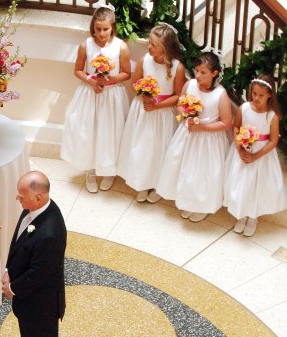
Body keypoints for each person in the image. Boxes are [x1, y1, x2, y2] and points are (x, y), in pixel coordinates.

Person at [1, 171, 67, 337]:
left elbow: (39, 273)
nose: (18, 200)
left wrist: (12, 288)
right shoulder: (33, 209)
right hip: (28, 299)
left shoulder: (50, 232)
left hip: (42, 303)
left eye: (22, 197)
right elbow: (19, 245)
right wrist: (9, 269)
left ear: (39, 197)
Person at [61, 5, 131, 193]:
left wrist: (111, 79)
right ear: (93, 26)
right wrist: (92, 81)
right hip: (90, 93)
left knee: (110, 132)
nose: (101, 33)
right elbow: (77, 70)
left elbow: (127, 73)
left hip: (112, 95)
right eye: (97, 29)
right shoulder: (86, 45)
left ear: (112, 27)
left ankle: (109, 171)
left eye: (105, 29)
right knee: (88, 131)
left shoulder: (121, 47)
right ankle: (90, 170)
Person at [155, 52, 232, 222]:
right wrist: (185, 115)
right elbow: (180, 104)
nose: (198, 75)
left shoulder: (220, 94)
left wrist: (202, 127)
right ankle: (185, 199)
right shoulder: (189, 85)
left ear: (214, 73)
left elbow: (226, 123)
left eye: (203, 72)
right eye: (196, 70)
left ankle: (202, 204)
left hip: (208, 139)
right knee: (183, 166)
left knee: (202, 172)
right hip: (188, 134)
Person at [116, 23, 185, 203]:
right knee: (142, 148)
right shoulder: (144, 60)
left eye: (155, 45)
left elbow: (178, 96)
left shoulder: (177, 67)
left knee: (159, 150)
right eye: (149, 43)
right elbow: (134, 83)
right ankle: (142, 183)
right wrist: (142, 92)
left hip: (162, 114)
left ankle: (158, 185)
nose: (150, 47)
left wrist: (157, 104)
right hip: (143, 111)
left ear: (166, 48)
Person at [223, 75, 287, 236]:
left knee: (256, 185)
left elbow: (273, 141)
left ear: (270, 95)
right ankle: (242, 214)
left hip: (261, 155)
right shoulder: (244, 108)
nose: (256, 98)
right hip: (243, 150)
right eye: (254, 94)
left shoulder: (272, 116)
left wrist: (256, 156)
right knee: (242, 183)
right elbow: (236, 127)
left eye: (261, 95)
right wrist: (240, 148)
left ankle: (253, 216)